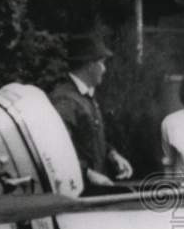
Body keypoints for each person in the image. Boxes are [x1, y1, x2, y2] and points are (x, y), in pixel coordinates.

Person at [50, 33, 133, 190]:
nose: (105, 69)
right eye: (102, 63)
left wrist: (112, 154)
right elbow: (57, 150)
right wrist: (88, 174)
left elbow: (89, 137)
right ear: (90, 65)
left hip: (92, 188)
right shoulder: (65, 101)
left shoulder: (84, 97)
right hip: (77, 193)